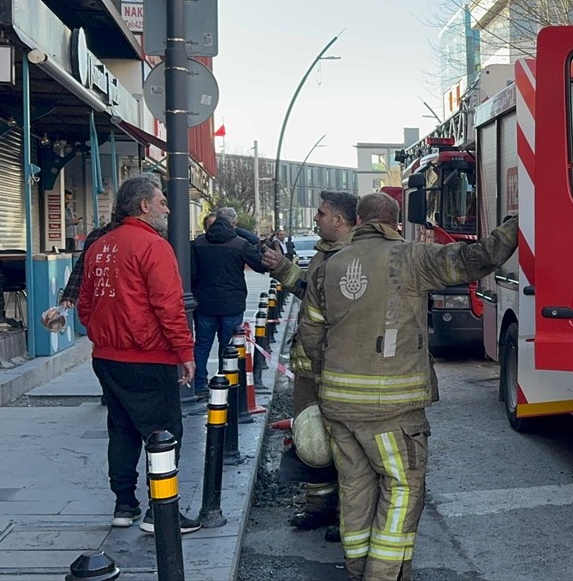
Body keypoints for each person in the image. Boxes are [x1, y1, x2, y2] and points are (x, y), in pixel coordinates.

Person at [303, 192, 517, 580]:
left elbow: (311, 333)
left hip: (338, 407)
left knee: (354, 488)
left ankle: (355, 566)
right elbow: (475, 259)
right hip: (391, 409)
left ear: (360, 220)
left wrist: (329, 377)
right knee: (402, 487)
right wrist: (517, 225)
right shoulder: (411, 257)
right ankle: (382, 575)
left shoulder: (327, 266)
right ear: (393, 223)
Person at [77, 175, 202, 534]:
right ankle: (160, 512)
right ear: (145, 205)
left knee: (122, 430)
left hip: (107, 357)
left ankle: (124, 505)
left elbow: (86, 303)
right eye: (162, 202)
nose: (167, 208)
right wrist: (184, 351)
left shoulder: (100, 246)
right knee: (164, 432)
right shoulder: (153, 246)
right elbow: (168, 305)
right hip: (149, 356)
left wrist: (102, 331)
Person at [262, 190, 357, 537]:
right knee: (311, 441)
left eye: (321, 213)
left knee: (343, 446)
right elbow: (309, 291)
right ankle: (318, 506)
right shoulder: (323, 253)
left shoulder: (352, 258)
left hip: (333, 370)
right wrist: (283, 269)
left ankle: (346, 515)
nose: (315, 218)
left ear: (339, 220)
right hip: (308, 369)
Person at [190, 212, 268, 398]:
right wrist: (238, 231)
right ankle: (226, 382)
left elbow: (191, 273)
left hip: (205, 303)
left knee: (202, 345)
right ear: (232, 225)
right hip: (232, 304)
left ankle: (199, 384)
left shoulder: (199, 243)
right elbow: (261, 264)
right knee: (229, 347)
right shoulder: (239, 244)